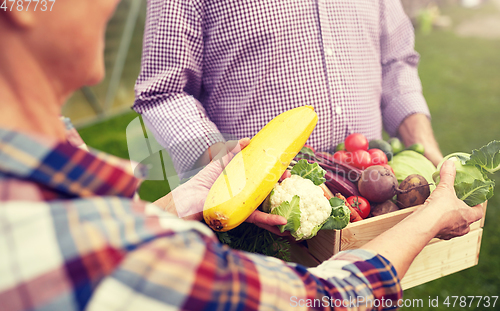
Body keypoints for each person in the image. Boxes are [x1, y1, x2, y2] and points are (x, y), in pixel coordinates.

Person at [0, 1, 483, 310]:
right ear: (22, 7)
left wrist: (176, 205)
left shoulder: (63, 198)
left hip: (366, 216)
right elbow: (324, 302)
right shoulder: (101, 247)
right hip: (259, 233)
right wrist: (429, 218)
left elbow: (398, 61)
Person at [134, 0, 444, 179]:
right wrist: (227, 166)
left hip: (371, 197)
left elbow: (396, 60)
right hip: (260, 223)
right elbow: (164, 91)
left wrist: (422, 143)